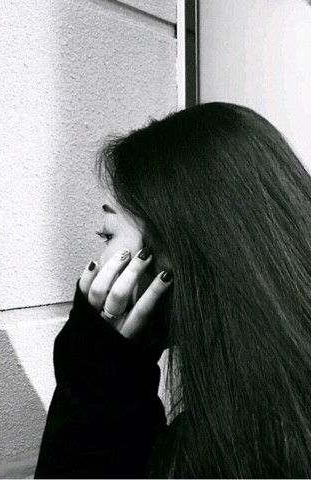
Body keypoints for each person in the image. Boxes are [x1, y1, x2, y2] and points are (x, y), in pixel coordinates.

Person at [34, 102, 311, 478]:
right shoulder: (268, 410)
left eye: (107, 235)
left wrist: (92, 382)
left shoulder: (227, 452)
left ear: (173, 251)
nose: (99, 258)